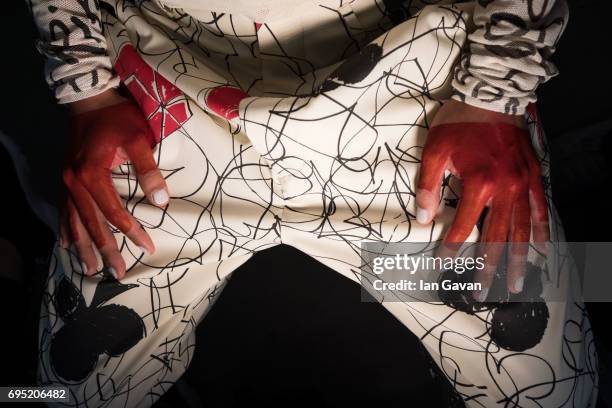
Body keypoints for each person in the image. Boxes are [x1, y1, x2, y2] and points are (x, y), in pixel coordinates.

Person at [28, 0, 598, 406]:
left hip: (403, 93)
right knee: (57, 394)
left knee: (553, 392)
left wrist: (494, 97)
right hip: (169, 98)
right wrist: (88, 94)